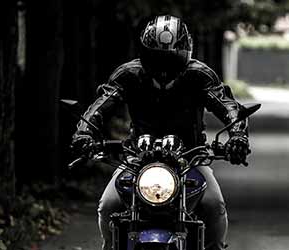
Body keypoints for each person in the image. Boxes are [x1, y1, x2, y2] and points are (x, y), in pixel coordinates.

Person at [70, 15, 250, 250]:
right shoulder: (129, 75)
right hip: (137, 158)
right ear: (144, 53)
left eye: (171, 58)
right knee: (108, 205)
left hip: (190, 158)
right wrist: (84, 132)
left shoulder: (200, 76)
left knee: (214, 206)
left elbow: (227, 106)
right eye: (156, 57)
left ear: (185, 54)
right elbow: (102, 104)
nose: (163, 67)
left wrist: (238, 136)